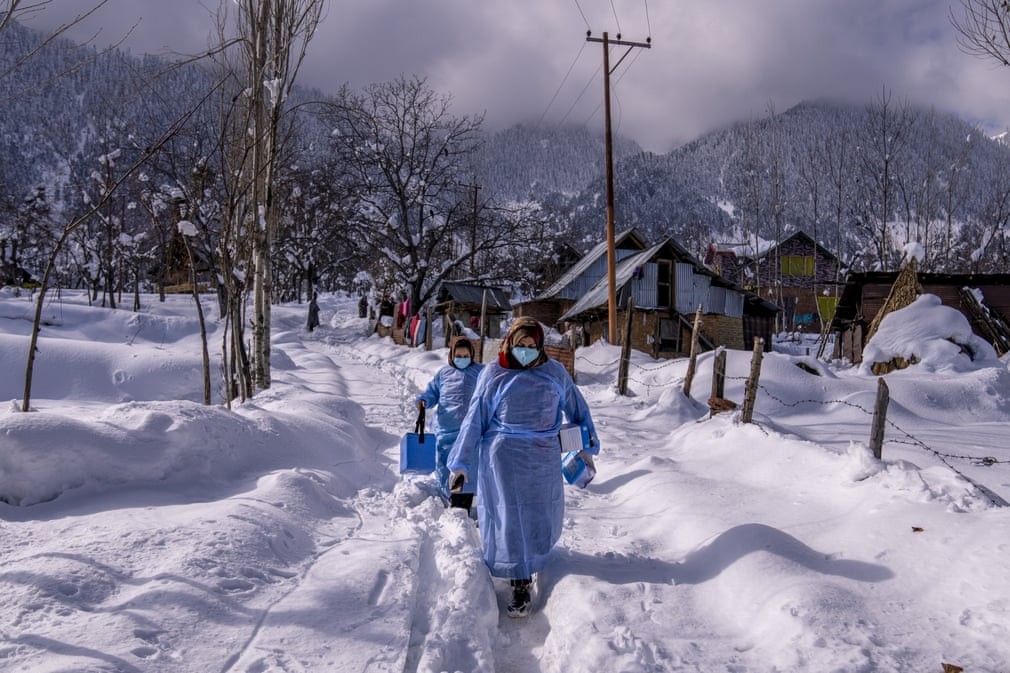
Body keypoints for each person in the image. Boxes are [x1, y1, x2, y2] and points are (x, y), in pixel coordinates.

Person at [447, 317, 599, 618]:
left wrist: (586, 445)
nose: (527, 351)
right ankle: (519, 583)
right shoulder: (494, 373)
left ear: (540, 346)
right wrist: (461, 463)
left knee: (539, 515)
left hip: (543, 457)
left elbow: (578, 409)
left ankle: (534, 565)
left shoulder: (554, 372)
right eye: (521, 345)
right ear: (510, 343)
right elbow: (474, 419)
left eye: (532, 346)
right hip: (503, 457)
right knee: (510, 517)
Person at [415, 337, 484, 512]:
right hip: (446, 430)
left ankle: (463, 503)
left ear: (472, 355)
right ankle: (450, 497)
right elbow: (432, 392)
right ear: (451, 355)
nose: (462, 358)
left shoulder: (480, 372)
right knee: (445, 466)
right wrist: (424, 400)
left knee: (467, 468)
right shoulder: (443, 373)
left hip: (470, 432)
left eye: (466, 355)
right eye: (458, 355)